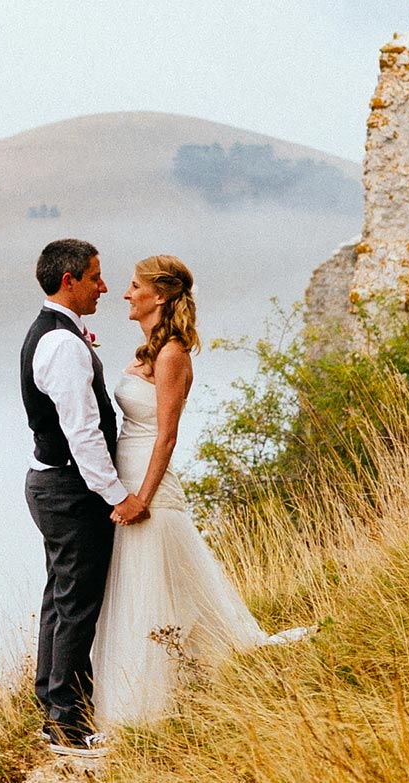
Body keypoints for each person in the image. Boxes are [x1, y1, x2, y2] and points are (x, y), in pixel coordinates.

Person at [89, 254, 309, 727]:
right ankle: (166, 684)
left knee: (152, 583)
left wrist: (142, 499)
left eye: (133, 286)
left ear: (160, 295)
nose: (125, 294)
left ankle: (149, 704)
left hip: (148, 484)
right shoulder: (148, 350)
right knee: (145, 584)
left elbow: (167, 435)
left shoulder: (172, 355)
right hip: (128, 474)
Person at [20, 237, 144, 760]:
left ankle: (52, 702)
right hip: (71, 487)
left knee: (59, 594)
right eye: (96, 276)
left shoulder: (54, 334)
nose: (105, 286)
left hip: (53, 483)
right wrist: (117, 495)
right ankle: (68, 726)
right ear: (69, 280)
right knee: (76, 602)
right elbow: (84, 433)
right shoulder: (63, 344)